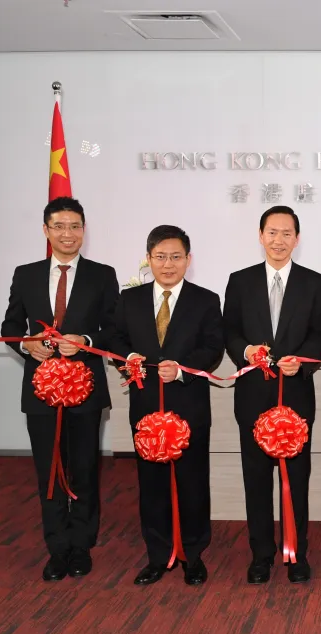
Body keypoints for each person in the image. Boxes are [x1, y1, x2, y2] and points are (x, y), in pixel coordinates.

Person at [0, 196, 119, 581]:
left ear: (84, 230)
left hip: (85, 389)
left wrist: (84, 338)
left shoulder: (103, 274)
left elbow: (115, 330)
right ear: (46, 230)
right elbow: (10, 326)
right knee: (48, 471)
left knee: (84, 467)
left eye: (75, 226)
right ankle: (57, 547)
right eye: (59, 226)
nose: (68, 234)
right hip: (41, 391)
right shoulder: (26, 273)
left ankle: (82, 544)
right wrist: (26, 343)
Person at [223, 205, 321, 585]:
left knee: (296, 479)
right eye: (272, 232)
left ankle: (296, 553)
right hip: (253, 397)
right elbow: (230, 331)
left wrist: (301, 362)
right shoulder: (239, 281)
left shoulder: (316, 283)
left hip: (296, 396)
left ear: (297, 239)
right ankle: (261, 555)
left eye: (287, 233)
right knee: (256, 480)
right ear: (260, 235)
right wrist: (246, 352)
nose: (279, 240)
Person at [111, 226, 224, 587]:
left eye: (176, 256)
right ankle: (158, 556)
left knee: (192, 483)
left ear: (189, 260)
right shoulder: (129, 299)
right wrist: (128, 358)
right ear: (148, 259)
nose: (168, 263)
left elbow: (212, 349)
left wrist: (182, 370)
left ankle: (194, 555)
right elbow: (115, 339)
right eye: (160, 256)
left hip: (188, 404)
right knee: (152, 484)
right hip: (146, 408)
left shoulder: (206, 300)